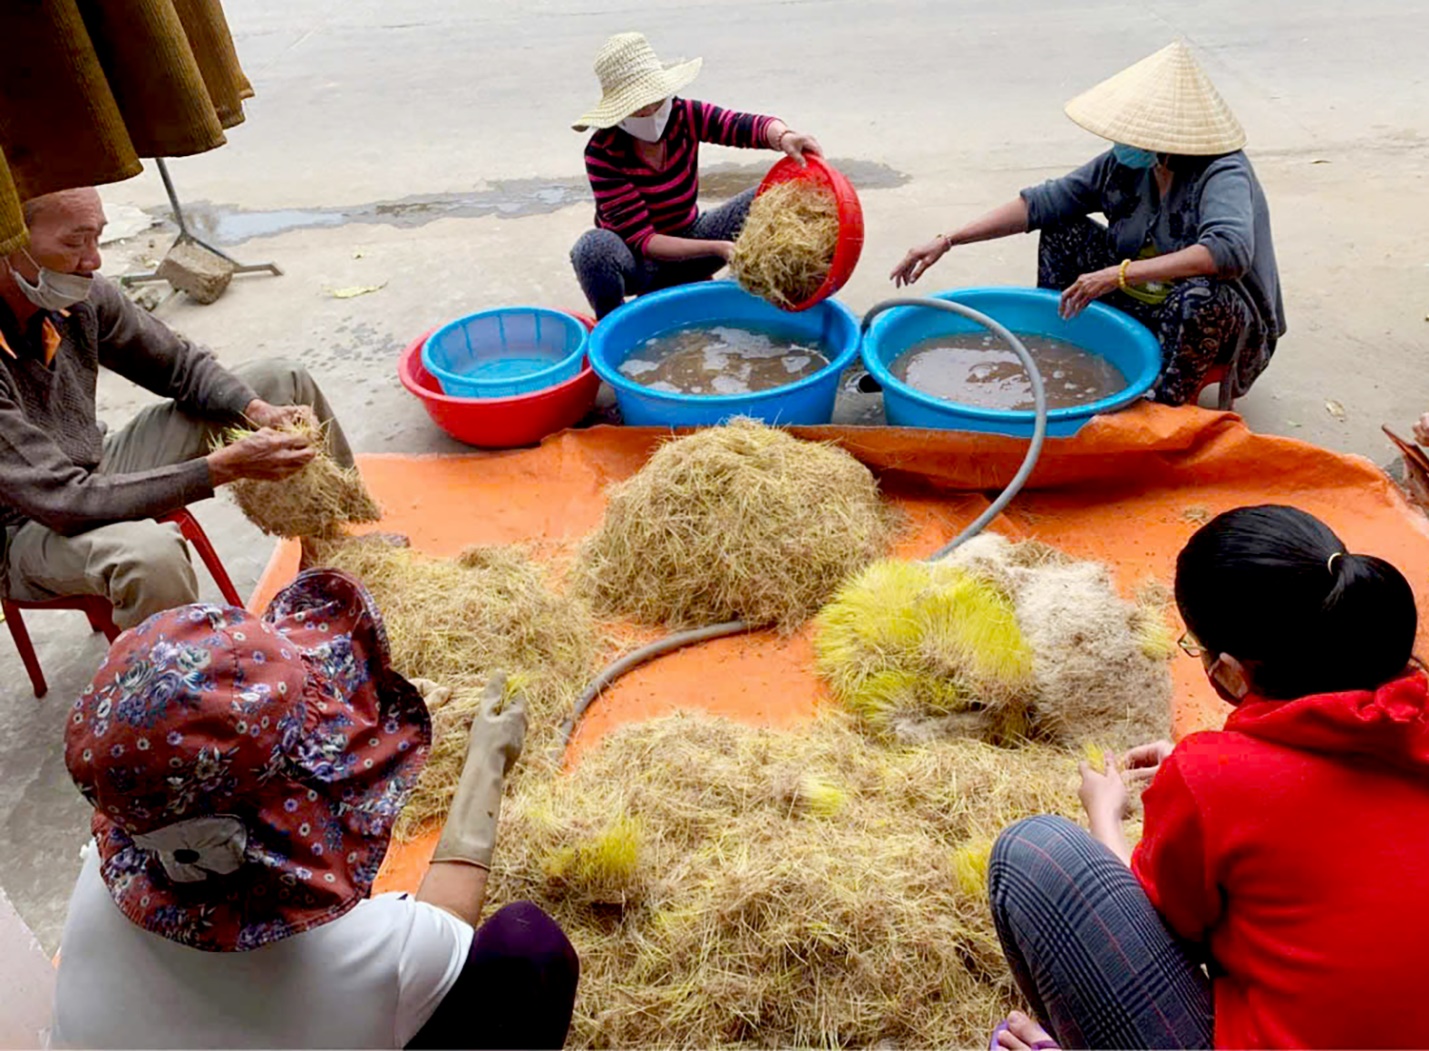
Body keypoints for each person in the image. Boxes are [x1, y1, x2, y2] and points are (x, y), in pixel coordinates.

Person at [50, 569, 579, 1049]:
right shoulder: (369, 957)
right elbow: (439, 931)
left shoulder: (108, 869)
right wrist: (487, 762)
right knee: (527, 947)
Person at [987, 505, 1429, 1050]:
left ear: (1227, 673)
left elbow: (1162, 922)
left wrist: (1106, 811)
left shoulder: (1214, 778)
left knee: (1038, 852)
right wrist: (1221, 778)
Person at [0, 187, 348, 630]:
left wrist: (256, 409)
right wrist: (219, 468)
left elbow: (179, 365)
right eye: (73, 243)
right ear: (8, 242)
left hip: (92, 468)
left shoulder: (79, 297)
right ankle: (178, 688)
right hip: (27, 527)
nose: (93, 261)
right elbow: (66, 502)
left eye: (97, 239)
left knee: (279, 381)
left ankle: (334, 556)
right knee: (151, 556)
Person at [891, 43, 1285, 408]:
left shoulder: (1222, 171)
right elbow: (1042, 203)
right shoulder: (1127, 165)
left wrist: (1119, 274)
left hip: (1207, 311)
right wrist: (949, 240)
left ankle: (1164, 406)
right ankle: (1059, 344)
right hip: (1140, 293)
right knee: (1063, 231)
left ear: (1165, 138)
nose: (1118, 142)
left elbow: (1227, 251)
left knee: (1199, 297)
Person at [570, 32, 822, 319]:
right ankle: (612, 326)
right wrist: (719, 248)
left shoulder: (684, 115)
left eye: (656, 100)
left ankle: (763, 290)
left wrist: (784, 136)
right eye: (639, 108)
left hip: (691, 238)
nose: (651, 111)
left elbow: (740, 125)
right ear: (620, 112)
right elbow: (644, 241)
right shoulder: (603, 152)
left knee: (768, 196)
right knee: (592, 249)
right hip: (639, 263)